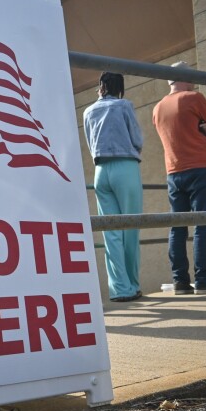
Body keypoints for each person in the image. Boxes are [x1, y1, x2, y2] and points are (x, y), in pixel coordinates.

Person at [152, 61, 206, 295]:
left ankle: (180, 282)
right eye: (192, 76)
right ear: (183, 77)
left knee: (177, 227)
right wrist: (205, 129)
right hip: (199, 168)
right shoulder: (193, 98)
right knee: (203, 224)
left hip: (173, 171)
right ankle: (205, 280)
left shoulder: (157, 108)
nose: (194, 80)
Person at [82, 72, 144, 302]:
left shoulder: (88, 111)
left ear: (101, 87)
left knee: (111, 233)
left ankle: (119, 289)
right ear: (120, 87)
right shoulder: (124, 105)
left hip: (100, 171)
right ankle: (133, 285)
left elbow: (90, 143)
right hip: (125, 166)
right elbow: (137, 139)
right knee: (131, 227)